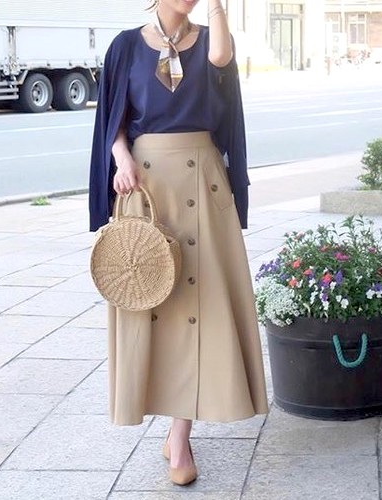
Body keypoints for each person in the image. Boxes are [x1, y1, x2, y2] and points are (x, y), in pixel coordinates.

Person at [89, 0, 268, 486]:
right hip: (146, 187)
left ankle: (180, 435)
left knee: (198, 306)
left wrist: (218, 9)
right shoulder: (126, 46)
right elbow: (111, 120)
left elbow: (221, 62)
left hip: (203, 186)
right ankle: (166, 423)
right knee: (154, 304)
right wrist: (121, 159)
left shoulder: (211, 40)